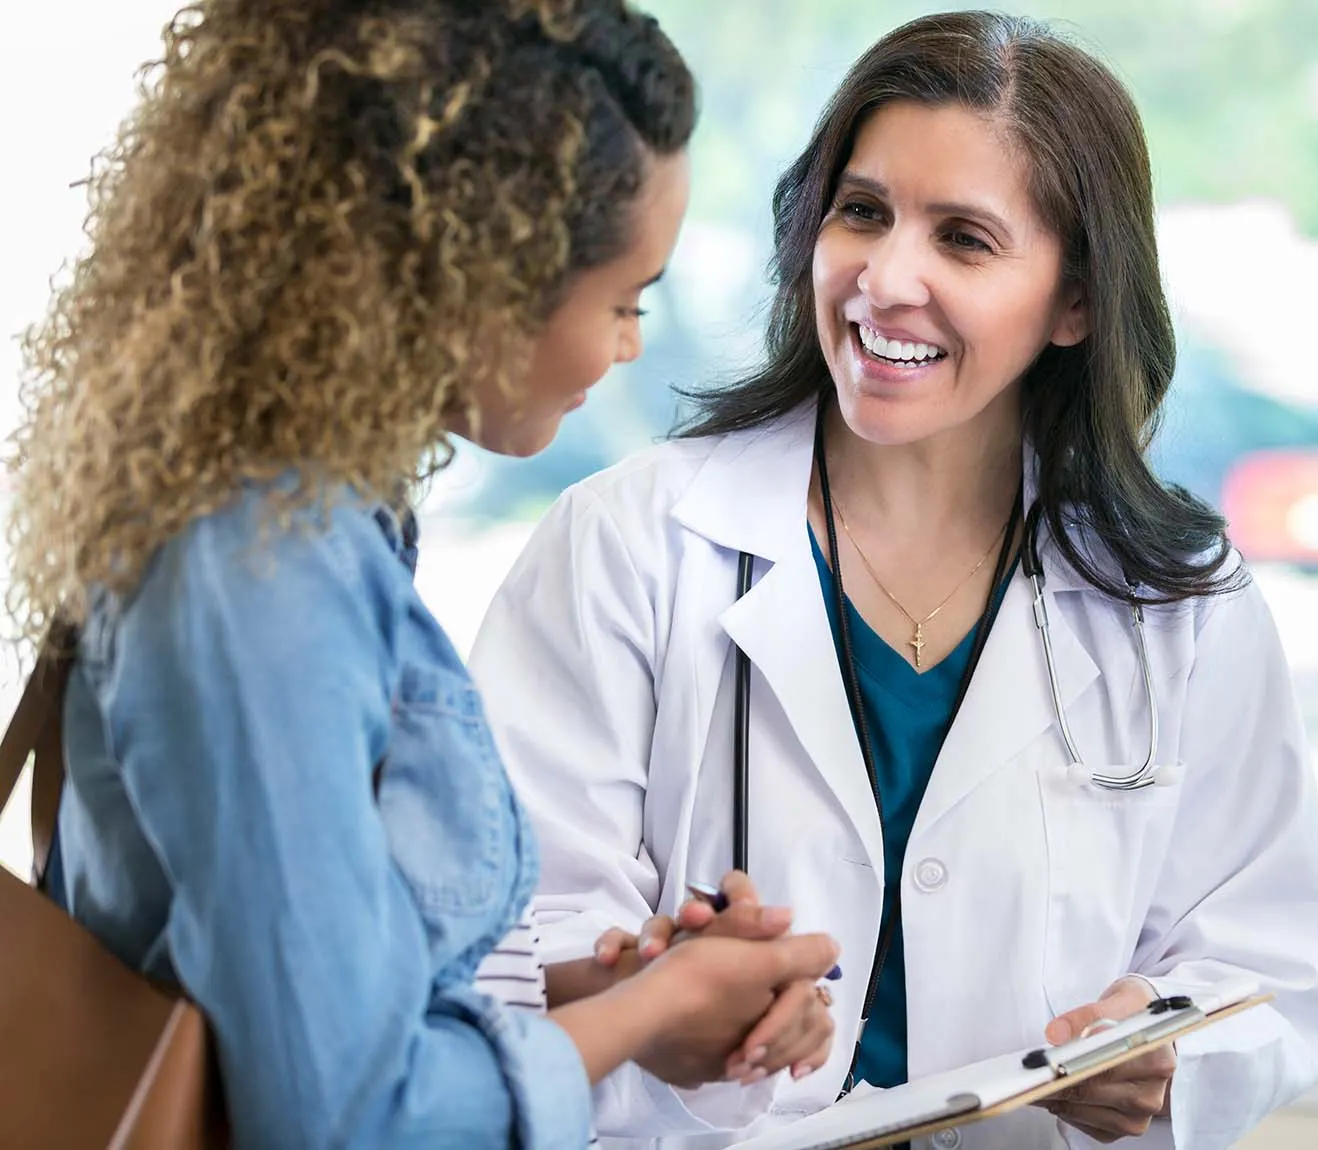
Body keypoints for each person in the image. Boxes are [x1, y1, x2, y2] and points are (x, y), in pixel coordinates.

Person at [471, 11, 1318, 1148]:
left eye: (964, 240)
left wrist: (1161, 1047)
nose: (886, 279)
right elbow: (503, 932)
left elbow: (1268, 960)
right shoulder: (627, 544)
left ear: (1074, 301)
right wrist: (651, 987)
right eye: (863, 212)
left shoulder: (1175, 599)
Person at [2, 2, 839, 1146]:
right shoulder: (259, 574)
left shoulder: (316, 517)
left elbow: (312, 1005)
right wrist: (655, 1004)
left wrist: (605, 1008)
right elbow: (349, 1116)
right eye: (622, 301)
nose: (631, 344)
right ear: (478, 281)